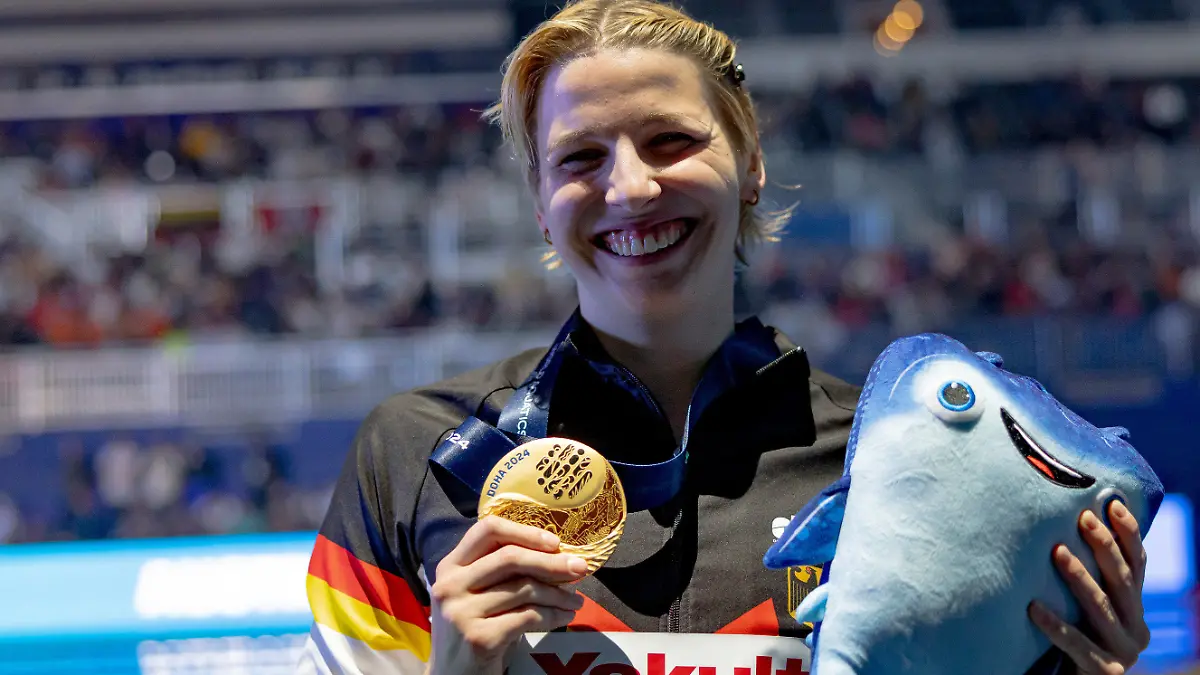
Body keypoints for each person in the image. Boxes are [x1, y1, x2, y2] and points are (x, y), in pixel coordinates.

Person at [297, 1, 1153, 673]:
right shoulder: (413, 457)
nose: (630, 188)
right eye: (580, 158)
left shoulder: (894, 463)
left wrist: (1068, 665)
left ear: (749, 166)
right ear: (540, 205)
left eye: (670, 141)